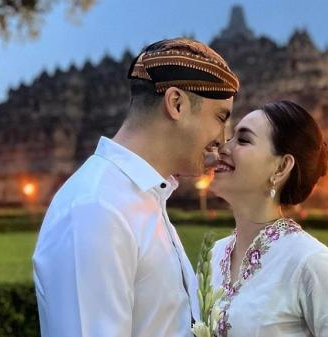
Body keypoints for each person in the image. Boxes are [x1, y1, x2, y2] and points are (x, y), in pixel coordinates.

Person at [32, 38, 239, 337]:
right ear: (176, 104)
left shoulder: (144, 197)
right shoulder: (96, 208)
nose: (224, 137)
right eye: (220, 117)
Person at [209, 100, 328, 337]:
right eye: (230, 137)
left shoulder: (309, 262)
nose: (223, 148)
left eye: (243, 140)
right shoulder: (214, 255)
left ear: (281, 167)